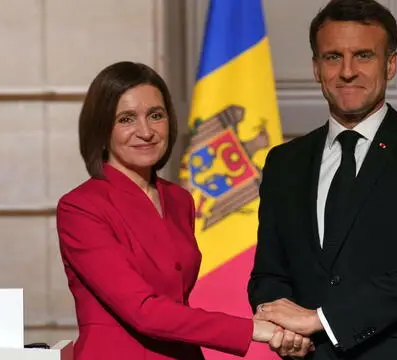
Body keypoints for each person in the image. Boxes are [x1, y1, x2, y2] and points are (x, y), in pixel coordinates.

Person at [248, 0, 397, 359]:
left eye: (364, 55)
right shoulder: (284, 162)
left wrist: (322, 319)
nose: (347, 71)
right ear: (316, 68)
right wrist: (282, 325)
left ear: (391, 64)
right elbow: (270, 272)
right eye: (333, 57)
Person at [55, 61, 312, 360]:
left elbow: (176, 299)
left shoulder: (178, 199)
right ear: (101, 129)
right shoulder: (80, 208)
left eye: (156, 115)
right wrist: (256, 329)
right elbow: (143, 310)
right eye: (126, 119)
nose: (146, 131)